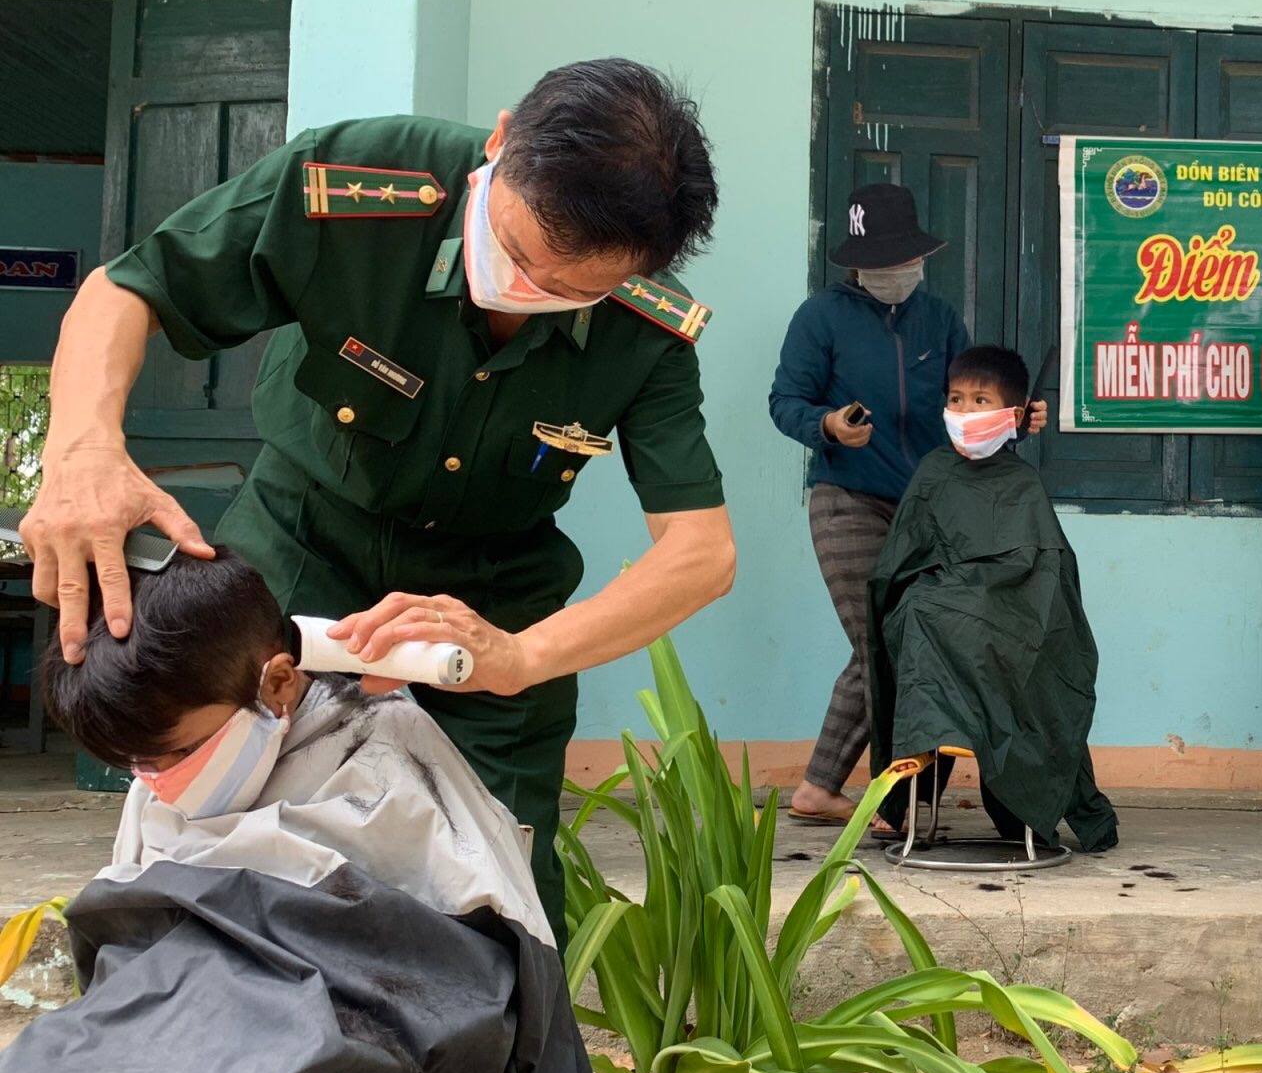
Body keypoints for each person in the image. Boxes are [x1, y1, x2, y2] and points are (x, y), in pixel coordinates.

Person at [20, 58, 736, 937]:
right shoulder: (353, 186)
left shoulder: (649, 328)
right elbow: (130, 289)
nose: (528, 293)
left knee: (495, 888)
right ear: (501, 142)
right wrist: (84, 447)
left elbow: (700, 553)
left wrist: (517, 657)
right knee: (217, 838)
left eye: (572, 290)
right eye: (516, 255)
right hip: (299, 542)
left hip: (492, 598)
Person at [0, 552, 662, 1073]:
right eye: (135, 765)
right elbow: (129, 953)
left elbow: (491, 989)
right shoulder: (160, 775)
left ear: (279, 683)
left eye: (173, 755)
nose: (157, 781)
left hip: (366, 1044)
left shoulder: (386, 755)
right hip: (193, 1042)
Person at [769, 185, 1042, 830]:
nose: (897, 273)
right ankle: (867, 796)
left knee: (911, 643)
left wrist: (1014, 419)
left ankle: (821, 787)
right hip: (847, 500)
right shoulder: (820, 318)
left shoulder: (941, 319)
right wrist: (828, 425)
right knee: (878, 646)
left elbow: (968, 403)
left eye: (905, 260)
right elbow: (785, 400)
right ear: (857, 264)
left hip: (927, 508)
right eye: (882, 262)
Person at [866, 345, 1118, 853]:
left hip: (1014, 628)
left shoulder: (1022, 483)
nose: (964, 412)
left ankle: (949, 760)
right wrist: (945, 593)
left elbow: (1047, 584)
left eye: (980, 400)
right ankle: (911, 778)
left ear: (1015, 415)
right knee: (917, 612)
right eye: (956, 400)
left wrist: (981, 601)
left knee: (949, 620)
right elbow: (900, 565)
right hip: (940, 616)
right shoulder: (934, 472)